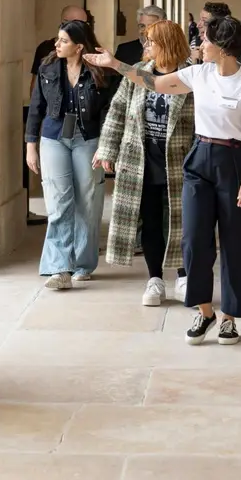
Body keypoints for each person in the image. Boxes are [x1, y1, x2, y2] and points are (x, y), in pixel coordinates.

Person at [86, 15, 241, 346]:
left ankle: (229, 318)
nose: (200, 44)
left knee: (237, 243)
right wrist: (114, 64)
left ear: (224, 47)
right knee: (193, 239)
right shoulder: (198, 74)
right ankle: (205, 312)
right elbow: (152, 83)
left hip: (237, 161)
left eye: (207, 39)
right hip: (200, 158)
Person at [93, 20, 195, 306]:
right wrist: (107, 149)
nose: (146, 46)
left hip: (179, 159)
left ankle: (184, 275)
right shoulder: (137, 73)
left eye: (151, 41)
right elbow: (117, 111)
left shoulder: (190, 76)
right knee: (150, 221)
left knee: (181, 220)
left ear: (167, 44)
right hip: (142, 158)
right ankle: (155, 279)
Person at [26, 19, 117, 289]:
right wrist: (31, 145)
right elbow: (36, 107)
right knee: (58, 202)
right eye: (58, 39)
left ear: (79, 47)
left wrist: (106, 144)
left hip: (88, 139)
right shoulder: (47, 66)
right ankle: (59, 268)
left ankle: (83, 264)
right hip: (54, 137)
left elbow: (109, 110)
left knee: (88, 202)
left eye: (63, 41)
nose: (57, 44)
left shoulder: (100, 71)